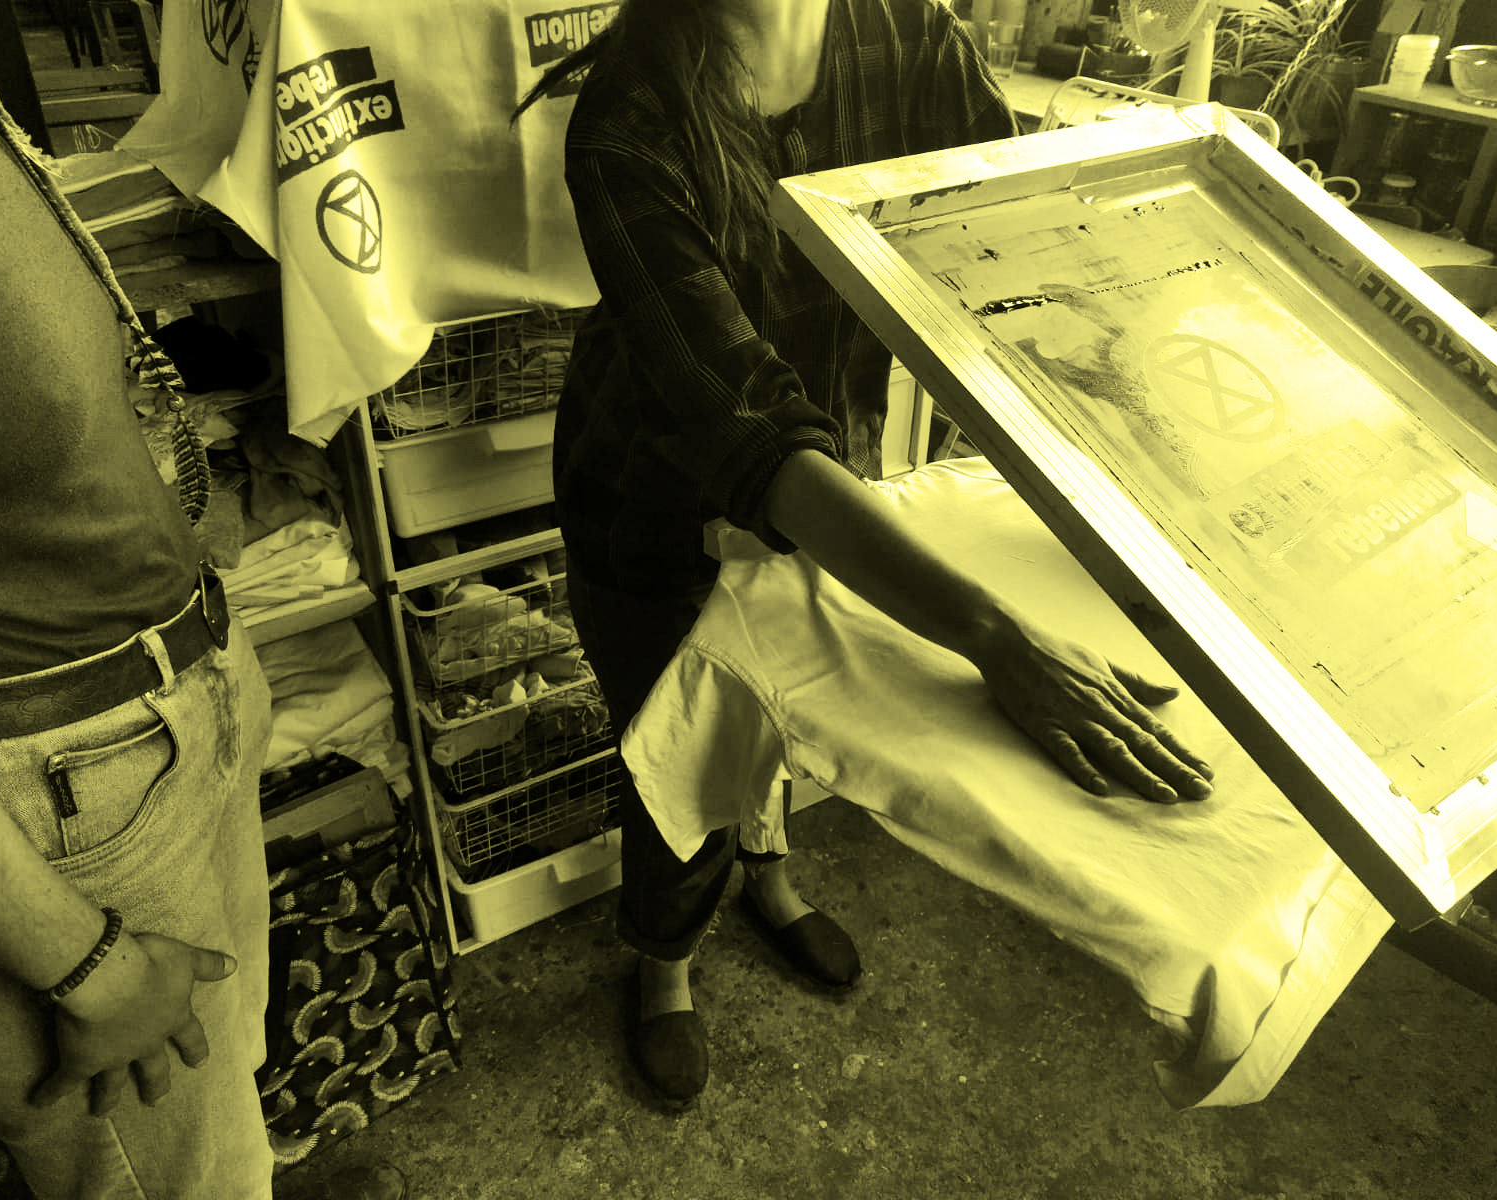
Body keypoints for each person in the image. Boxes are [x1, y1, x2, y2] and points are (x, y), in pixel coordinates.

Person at [514, 0, 1217, 1111]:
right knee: (678, 742)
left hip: (829, 466)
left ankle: (770, 878)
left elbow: (998, 238)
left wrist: (1131, 384)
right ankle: (664, 959)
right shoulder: (628, 117)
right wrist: (992, 635)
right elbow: (743, 421)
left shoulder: (907, 35)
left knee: (785, 705)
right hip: (649, 493)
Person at [0, 75, 405, 1200]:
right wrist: (80, 960)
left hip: (172, 691)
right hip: (59, 797)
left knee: (223, 1085)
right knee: (170, 1170)